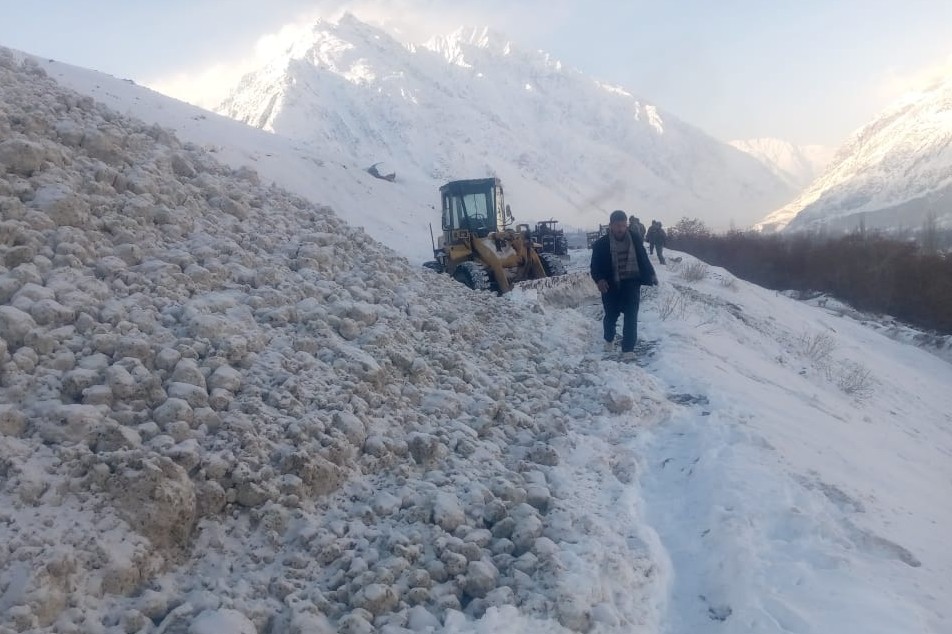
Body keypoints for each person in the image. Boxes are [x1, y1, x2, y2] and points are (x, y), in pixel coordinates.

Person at [590, 210, 658, 361]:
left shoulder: (635, 238)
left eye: (623, 225)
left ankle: (628, 349)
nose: (621, 229)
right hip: (610, 285)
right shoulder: (601, 244)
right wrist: (599, 280)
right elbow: (595, 266)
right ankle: (609, 339)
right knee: (610, 316)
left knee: (631, 316)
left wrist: (651, 273)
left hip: (631, 283)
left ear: (626, 225)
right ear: (611, 226)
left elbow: (643, 258)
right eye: (617, 225)